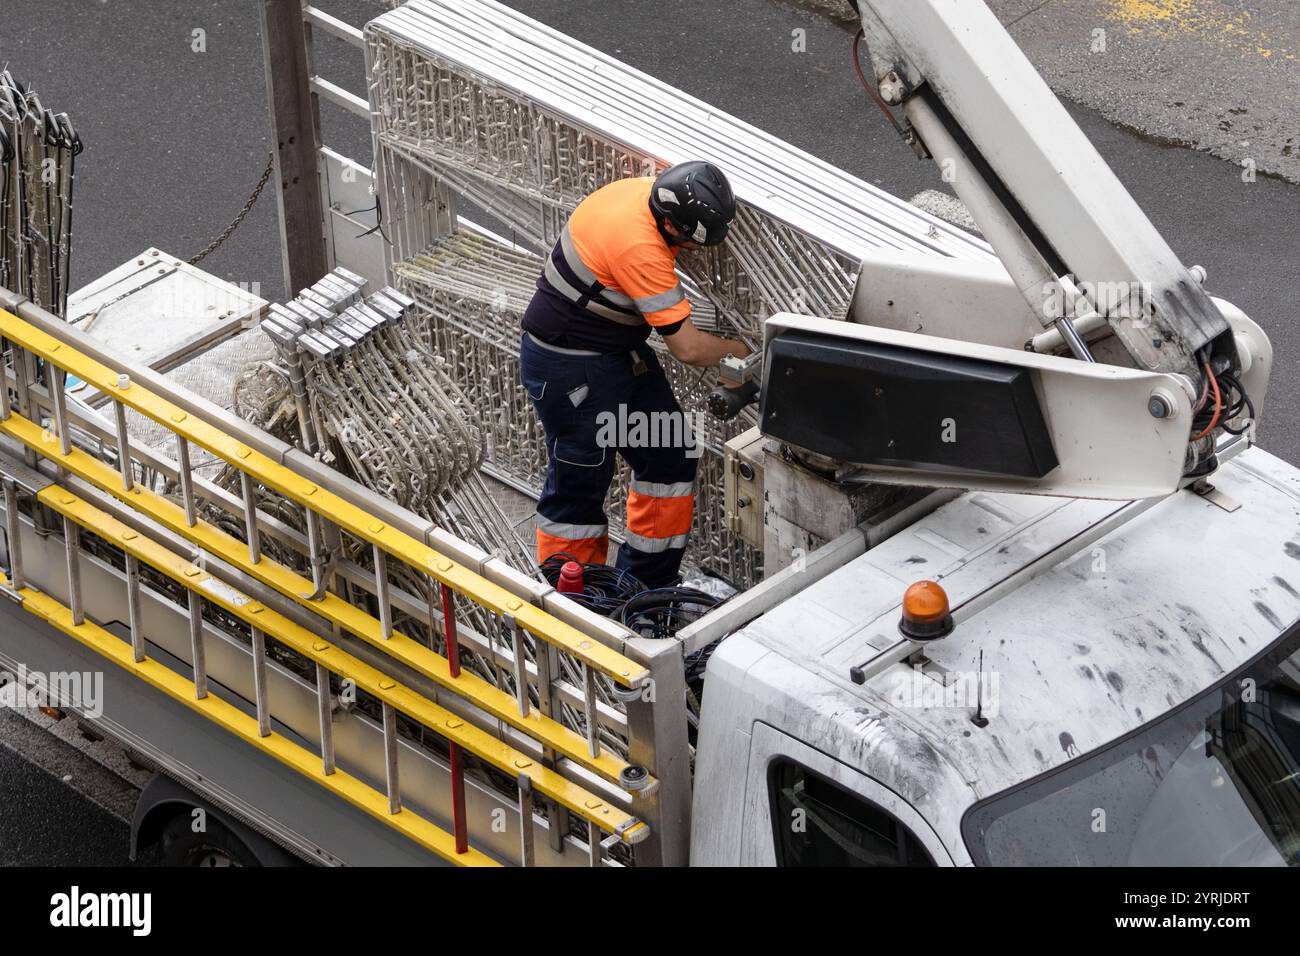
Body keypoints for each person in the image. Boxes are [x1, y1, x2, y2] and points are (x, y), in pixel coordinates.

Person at [519, 161, 751, 588]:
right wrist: (748, 353)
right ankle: (575, 599)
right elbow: (689, 348)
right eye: (691, 243)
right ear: (669, 223)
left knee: (670, 452)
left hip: (613, 353)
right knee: (580, 484)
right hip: (570, 368)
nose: (693, 252)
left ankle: (642, 587)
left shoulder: (646, 192)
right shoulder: (639, 247)